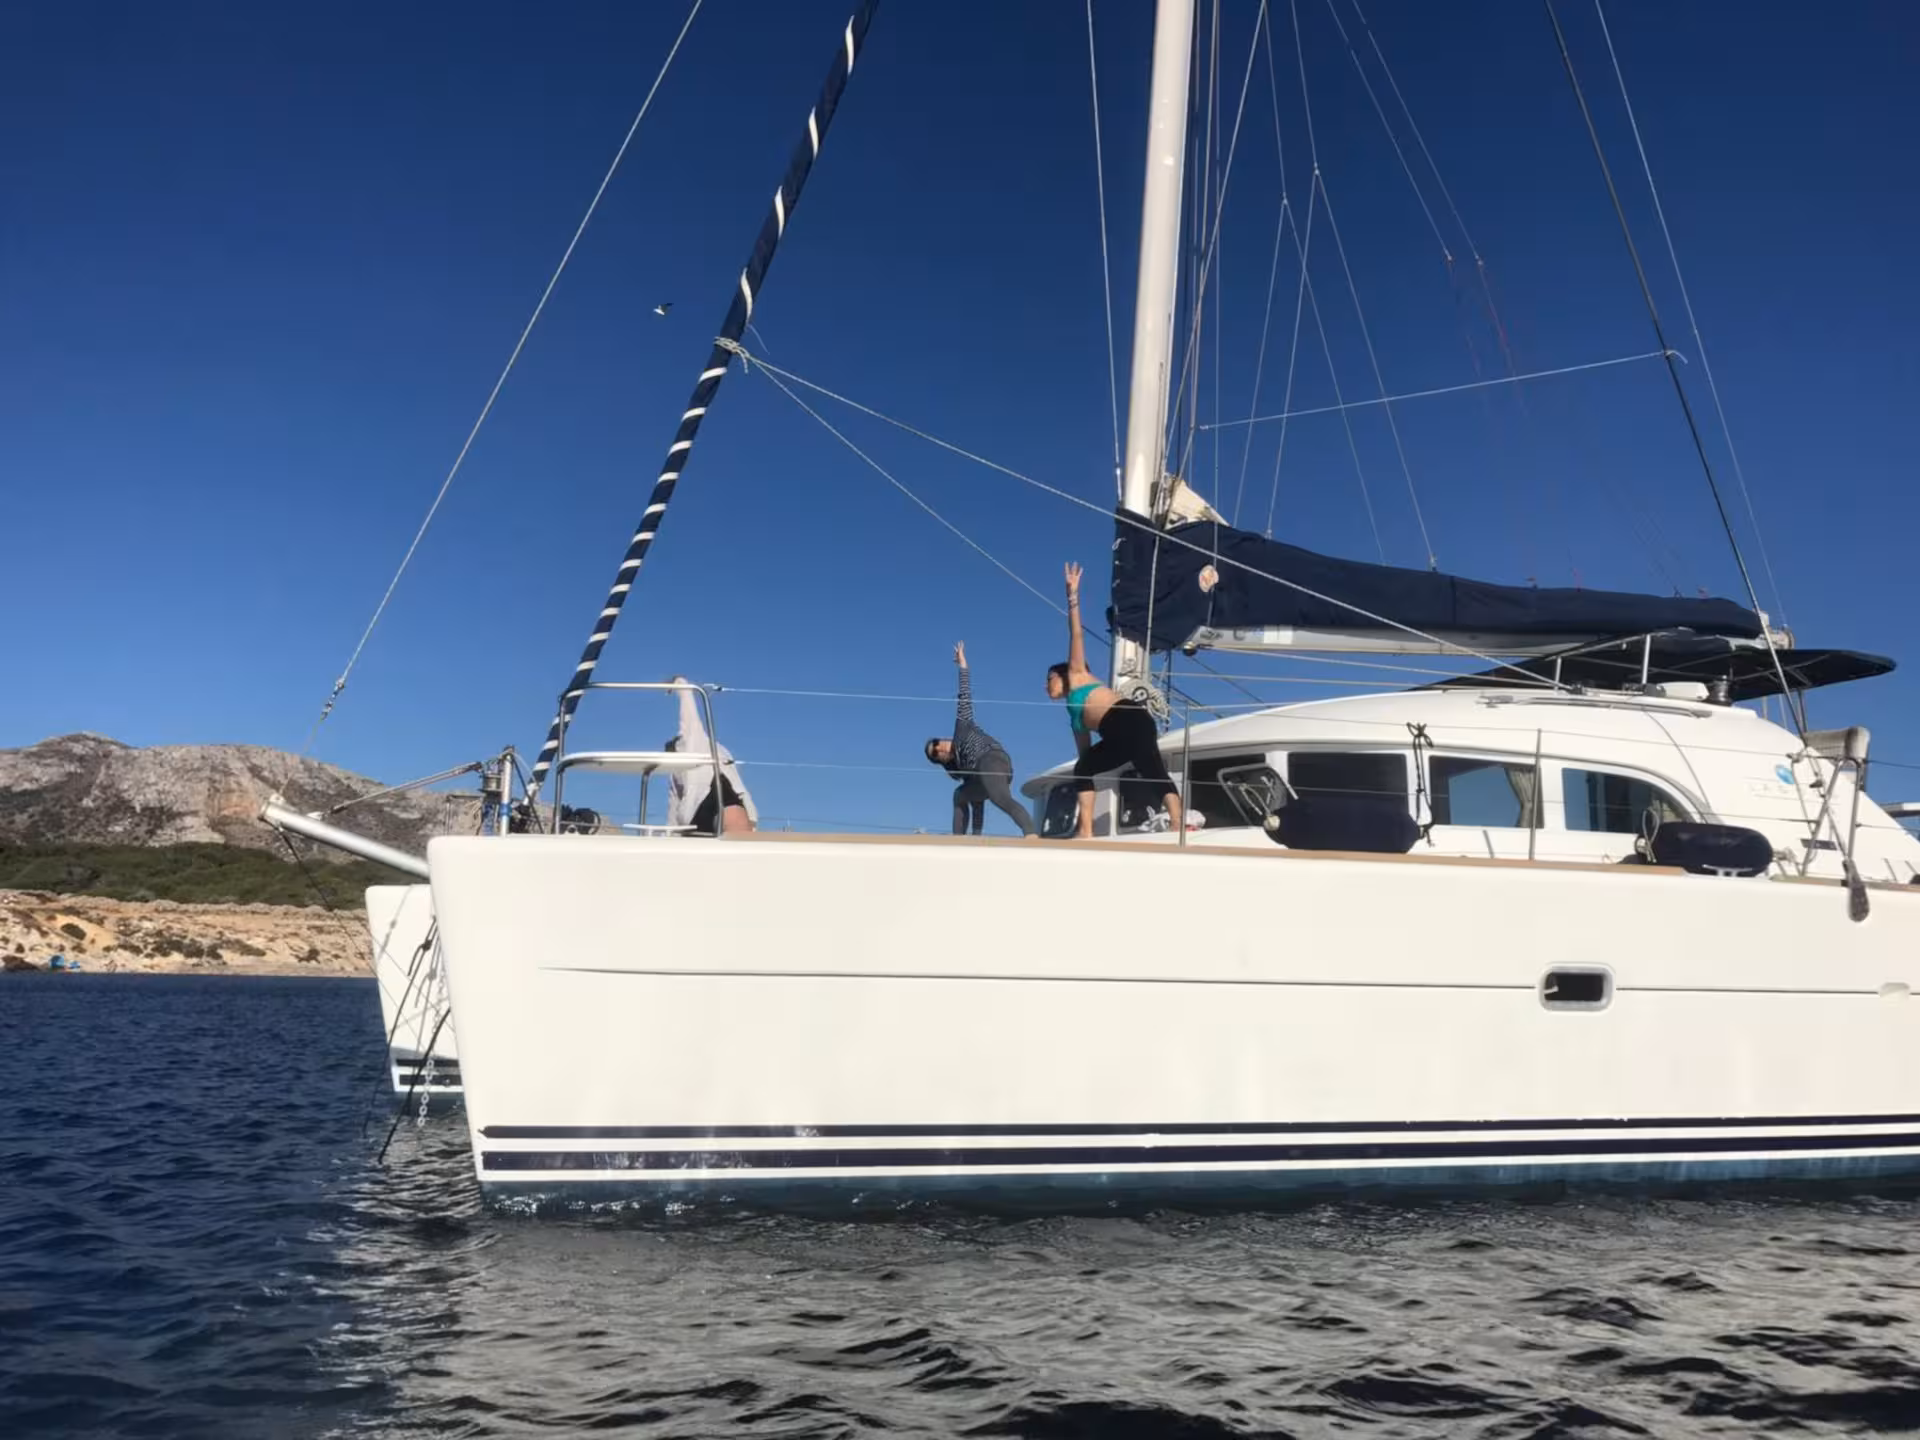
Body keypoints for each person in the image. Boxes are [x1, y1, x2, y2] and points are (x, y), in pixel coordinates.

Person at [1048, 562, 1182, 839]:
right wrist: (1087, 769)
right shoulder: (1074, 714)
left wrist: (1072, 597)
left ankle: (1178, 824)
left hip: (1126, 718)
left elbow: (1076, 634)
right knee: (1094, 768)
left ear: (1063, 674)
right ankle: (1086, 831)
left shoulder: (1078, 674)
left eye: (1049, 678)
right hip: (1122, 732)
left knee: (1151, 767)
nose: (1046, 684)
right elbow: (1085, 755)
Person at [925, 642, 1037, 837]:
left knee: (999, 797)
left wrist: (963, 665)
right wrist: (977, 836)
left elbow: (965, 697)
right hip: (982, 774)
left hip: (992, 759)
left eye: (935, 744)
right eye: (934, 755)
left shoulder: (962, 728)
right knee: (960, 795)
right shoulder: (962, 769)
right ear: (941, 761)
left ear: (941, 739)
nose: (938, 749)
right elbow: (977, 804)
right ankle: (960, 841)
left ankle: (1031, 833)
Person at [664, 677, 757, 835]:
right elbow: (673, 803)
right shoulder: (717, 750)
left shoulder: (691, 742)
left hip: (719, 801)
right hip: (705, 809)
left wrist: (680, 684)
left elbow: (689, 720)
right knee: (732, 814)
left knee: (732, 816)